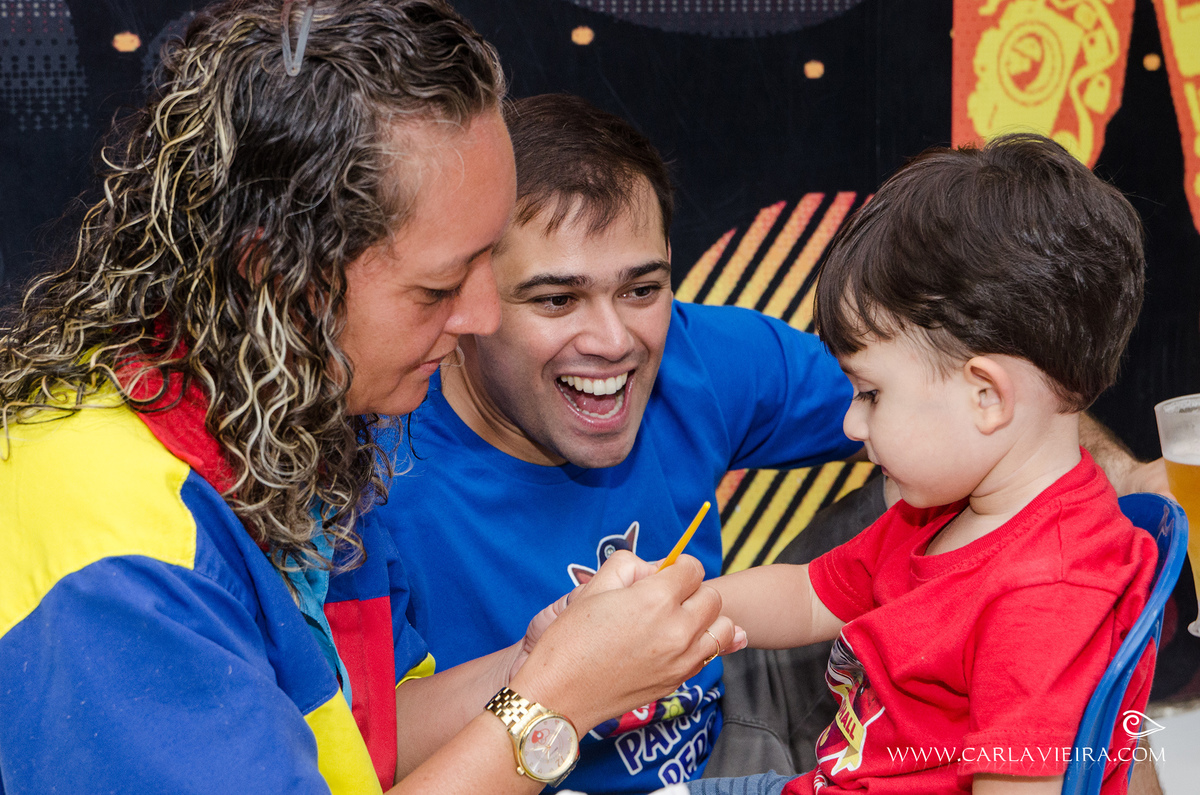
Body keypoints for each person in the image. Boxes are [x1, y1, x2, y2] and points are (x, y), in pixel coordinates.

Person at [0, 3, 736, 793]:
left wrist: (553, 659)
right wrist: (556, 701)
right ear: (278, 277)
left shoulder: (285, 424)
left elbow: (372, 731)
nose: (483, 316)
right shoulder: (117, 552)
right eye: (440, 286)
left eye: (490, 261)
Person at [365, 94, 1164, 794]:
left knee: (921, 485)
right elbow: (368, 749)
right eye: (555, 297)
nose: (612, 339)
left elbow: (965, 393)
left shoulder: (701, 355)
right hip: (528, 760)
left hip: (746, 717)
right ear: (467, 303)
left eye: (642, 288)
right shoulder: (370, 463)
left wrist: (1128, 479)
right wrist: (565, 664)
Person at [692, 133, 1159, 795]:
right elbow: (806, 595)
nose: (852, 424)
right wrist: (685, 604)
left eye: (870, 394)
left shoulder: (1045, 594)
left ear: (985, 395)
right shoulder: (943, 509)